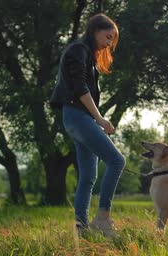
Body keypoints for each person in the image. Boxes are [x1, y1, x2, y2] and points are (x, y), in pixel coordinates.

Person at [50, 13, 125, 237]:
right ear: (95, 31)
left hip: (77, 118)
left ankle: (81, 229)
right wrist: (100, 119)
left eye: (113, 39)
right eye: (108, 36)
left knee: (88, 176)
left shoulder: (86, 54)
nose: (110, 42)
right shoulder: (78, 50)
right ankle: (103, 219)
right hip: (76, 116)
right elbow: (80, 87)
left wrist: (95, 120)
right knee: (117, 160)